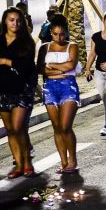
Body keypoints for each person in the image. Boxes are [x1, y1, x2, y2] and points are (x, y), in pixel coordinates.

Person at [0, 7, 37, 179]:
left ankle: (27, 162)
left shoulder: (27, 42)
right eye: (11, 19)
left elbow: (27, 67)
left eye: (18, 20)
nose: (14, 23)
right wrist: (13, 64)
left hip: (21, 90)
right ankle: (18, 164)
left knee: (18, 128)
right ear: (5, 21)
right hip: (1, 89)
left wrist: (7, 61)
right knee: (10, 129)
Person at [38, 14, 80, 173]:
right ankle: (63, 162)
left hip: (68, 87)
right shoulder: (44, 47)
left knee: (65, 126)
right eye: (55, 34)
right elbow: (40, 69)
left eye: (62, 34)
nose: (59, 37)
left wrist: (51, 67)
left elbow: (71, 66)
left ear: (67, 32)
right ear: (51, 33)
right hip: (49, 88)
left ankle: (73, 161)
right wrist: (61, 68)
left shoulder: (73, 46)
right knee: (56, 128)